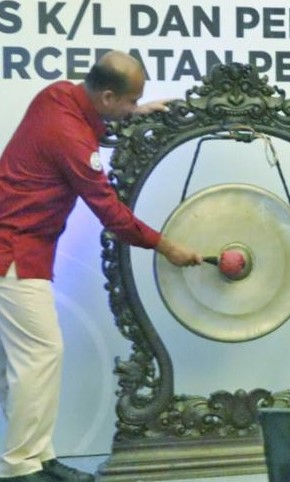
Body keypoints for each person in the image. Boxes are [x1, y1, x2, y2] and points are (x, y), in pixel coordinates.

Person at [0, 51, 203, 482]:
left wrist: (130, 116)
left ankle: (37, 458)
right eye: (131, 102)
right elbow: (110, 213)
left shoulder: (57, 96)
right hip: (12, 251)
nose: (134, 108)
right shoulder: (70, 136)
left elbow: (94, 122)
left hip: (23, 247)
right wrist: (166, 246)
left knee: (30, 358)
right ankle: (20, 468)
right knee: (39, 354)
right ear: (108, 95)